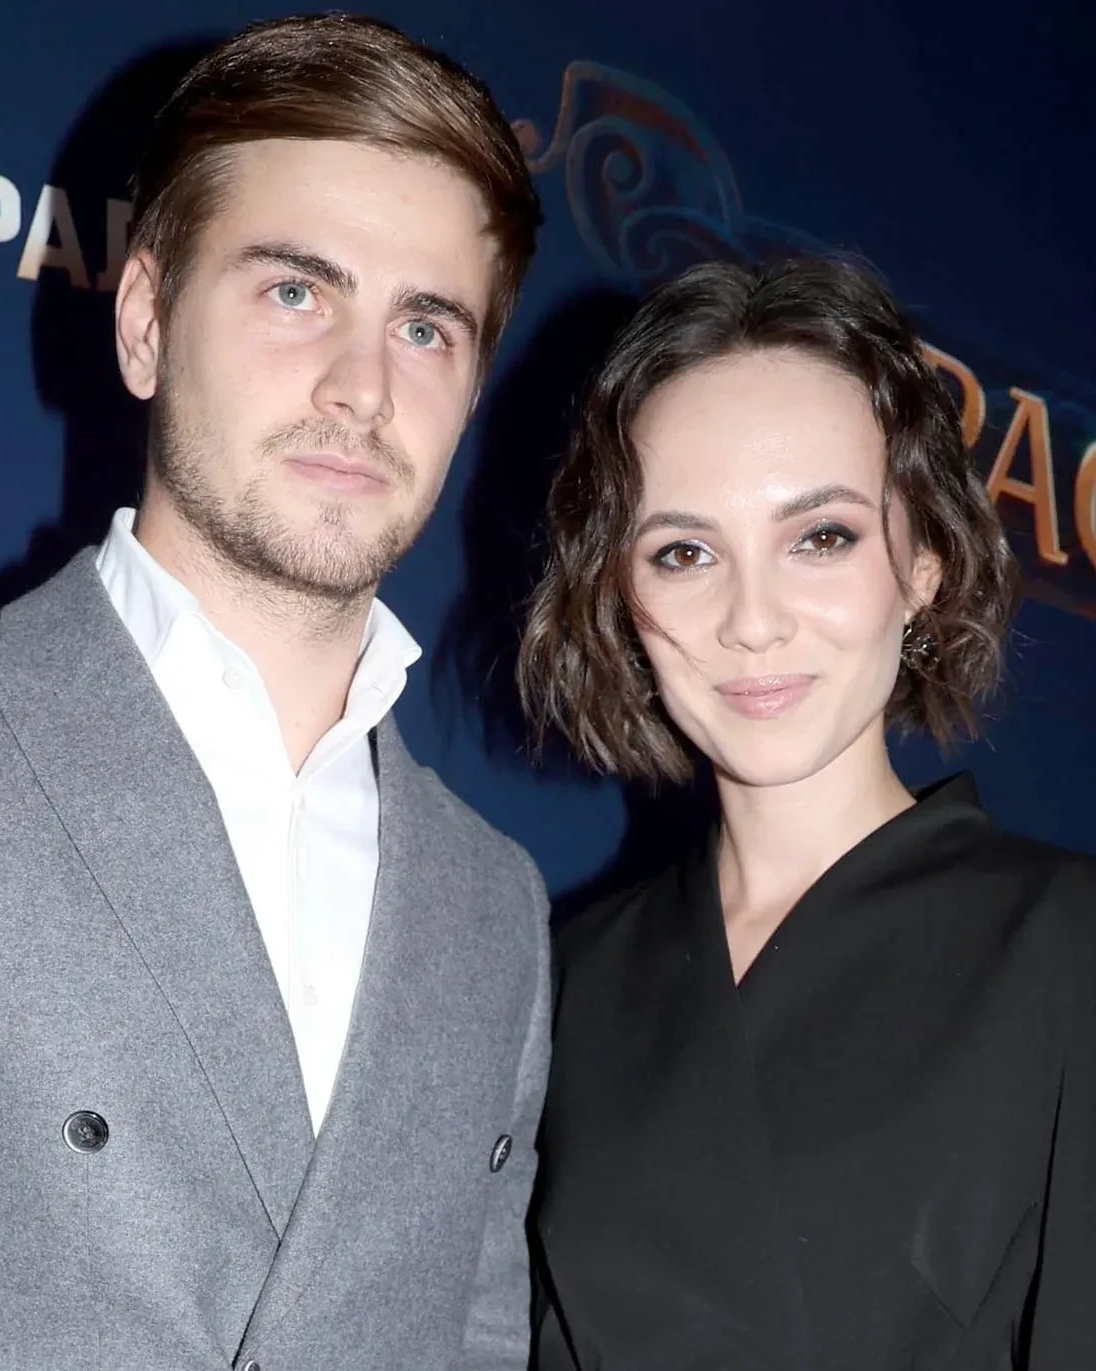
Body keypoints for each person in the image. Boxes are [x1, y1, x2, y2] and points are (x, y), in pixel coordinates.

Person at [0, 15, 549, 1370]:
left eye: (425, 327)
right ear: (145, 324)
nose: (360, 387)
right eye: (295, 292)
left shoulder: (494, 900)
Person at [518, 257, 1096, 1370]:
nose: (752, 619)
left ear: (922, 563)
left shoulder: (1066, 947)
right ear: (621, 598)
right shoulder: (562, 986)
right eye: (684, 553)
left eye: (819, 537)